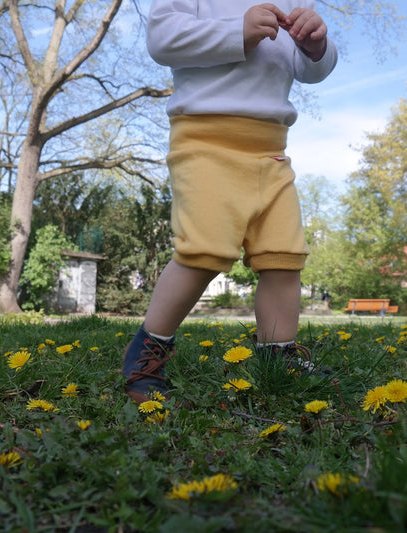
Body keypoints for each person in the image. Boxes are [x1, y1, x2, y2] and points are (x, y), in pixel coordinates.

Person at [122, 0, 338, 404]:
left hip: (271, 150)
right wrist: (236, 31)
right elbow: (162, 39)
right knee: (203, 251)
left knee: (283, 256)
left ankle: (278, 355)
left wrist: (317, 48)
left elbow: (311, 71)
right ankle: (146, 353)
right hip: (205, 141)